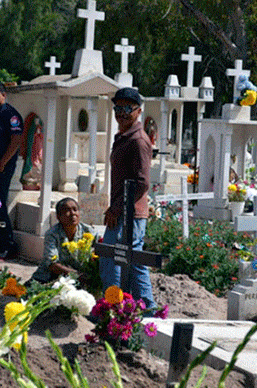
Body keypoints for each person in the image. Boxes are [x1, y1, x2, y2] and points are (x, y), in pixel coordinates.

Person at [100, 87, 156, 309]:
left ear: (138, 111)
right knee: (123, 260)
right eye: (117, 108)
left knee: (123, 260)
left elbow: (141, 182)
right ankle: (126, 307)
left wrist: (118, 208)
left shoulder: (138, 141)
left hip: (129, 213)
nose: (121, 113)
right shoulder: (124, 137)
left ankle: (121, 307)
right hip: (122, 210)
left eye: (126, 108)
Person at [0, 81, 24, 258]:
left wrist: (2, 163)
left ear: (4, 95)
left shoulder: (10, 114)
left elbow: (16, 141)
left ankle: (8, 244)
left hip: (2, 168)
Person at [31, 197, 96, 283]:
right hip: (49, 278)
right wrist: (77, 275)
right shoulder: (52, 234)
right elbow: (53, 265)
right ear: (58, 216)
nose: (73, 213)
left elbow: (99, 255)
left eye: (75, 210)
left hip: (82, 280)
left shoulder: (89, 232)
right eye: (67, 211)